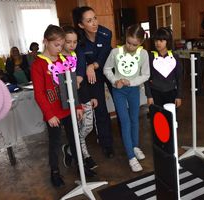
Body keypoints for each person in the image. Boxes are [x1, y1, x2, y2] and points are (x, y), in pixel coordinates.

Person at [31, 24, 83, 187]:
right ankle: (55, 172)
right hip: (53, 113)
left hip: (68, 108)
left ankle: (80, 167)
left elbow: (71, 86)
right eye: (56, 45)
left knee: (75, 138)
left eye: (62, 45)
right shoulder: (37, 65)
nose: (60, 49)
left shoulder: (64, 59)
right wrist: (49, 114)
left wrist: (78, 106)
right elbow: (39, 93)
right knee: (55, 143)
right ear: (45, 41)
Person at [103, 24, 150, 172]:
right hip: (119, 91)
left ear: (141, 43)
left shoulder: (143, 54)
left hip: (134, 90)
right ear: (125, 39)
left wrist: (132, 82)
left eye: (134, 44)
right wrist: (114, 81)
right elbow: (106, 69)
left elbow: (146, 74)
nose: (130, 46)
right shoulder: (115, 52)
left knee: (135, 119)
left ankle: (135, 147)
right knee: (125, 121)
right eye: (128, 43)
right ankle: (131, 157)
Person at [72, 6, 114, 158]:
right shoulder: (79, 41)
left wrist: (93, 65)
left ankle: (127, 139)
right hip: (92, 76)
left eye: (95, 18)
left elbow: (104, 56)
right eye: (89, 21)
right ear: (81, 25)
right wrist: (85, 70)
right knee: (100, 108)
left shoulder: (106, 33)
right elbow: (81, 62)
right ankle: (106, 144)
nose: (94, 23)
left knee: (121, 103)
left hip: (108, 69)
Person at [60, 25, 98, 173]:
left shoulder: (79, 54)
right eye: (68, 41)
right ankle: (85, 156)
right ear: (62, 41)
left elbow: (86, 75)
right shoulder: (58, 58)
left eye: (74, 42)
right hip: (70, 100)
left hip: (84, 95)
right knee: (75, 128)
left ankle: (70, 148)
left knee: (88, 126)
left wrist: (93, 95)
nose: (72, 45)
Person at [144, 27, 182, 108]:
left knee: (171, 118)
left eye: (161, 41)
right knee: (157, 118)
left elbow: (179, 77)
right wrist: (149, 96)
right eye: (156, 40)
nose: (158, 43)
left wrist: (179, 96)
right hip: (155, 93)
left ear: (167, 41)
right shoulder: (150, 57)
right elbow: (146, 78)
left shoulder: (175, 57)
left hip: (171, 92)